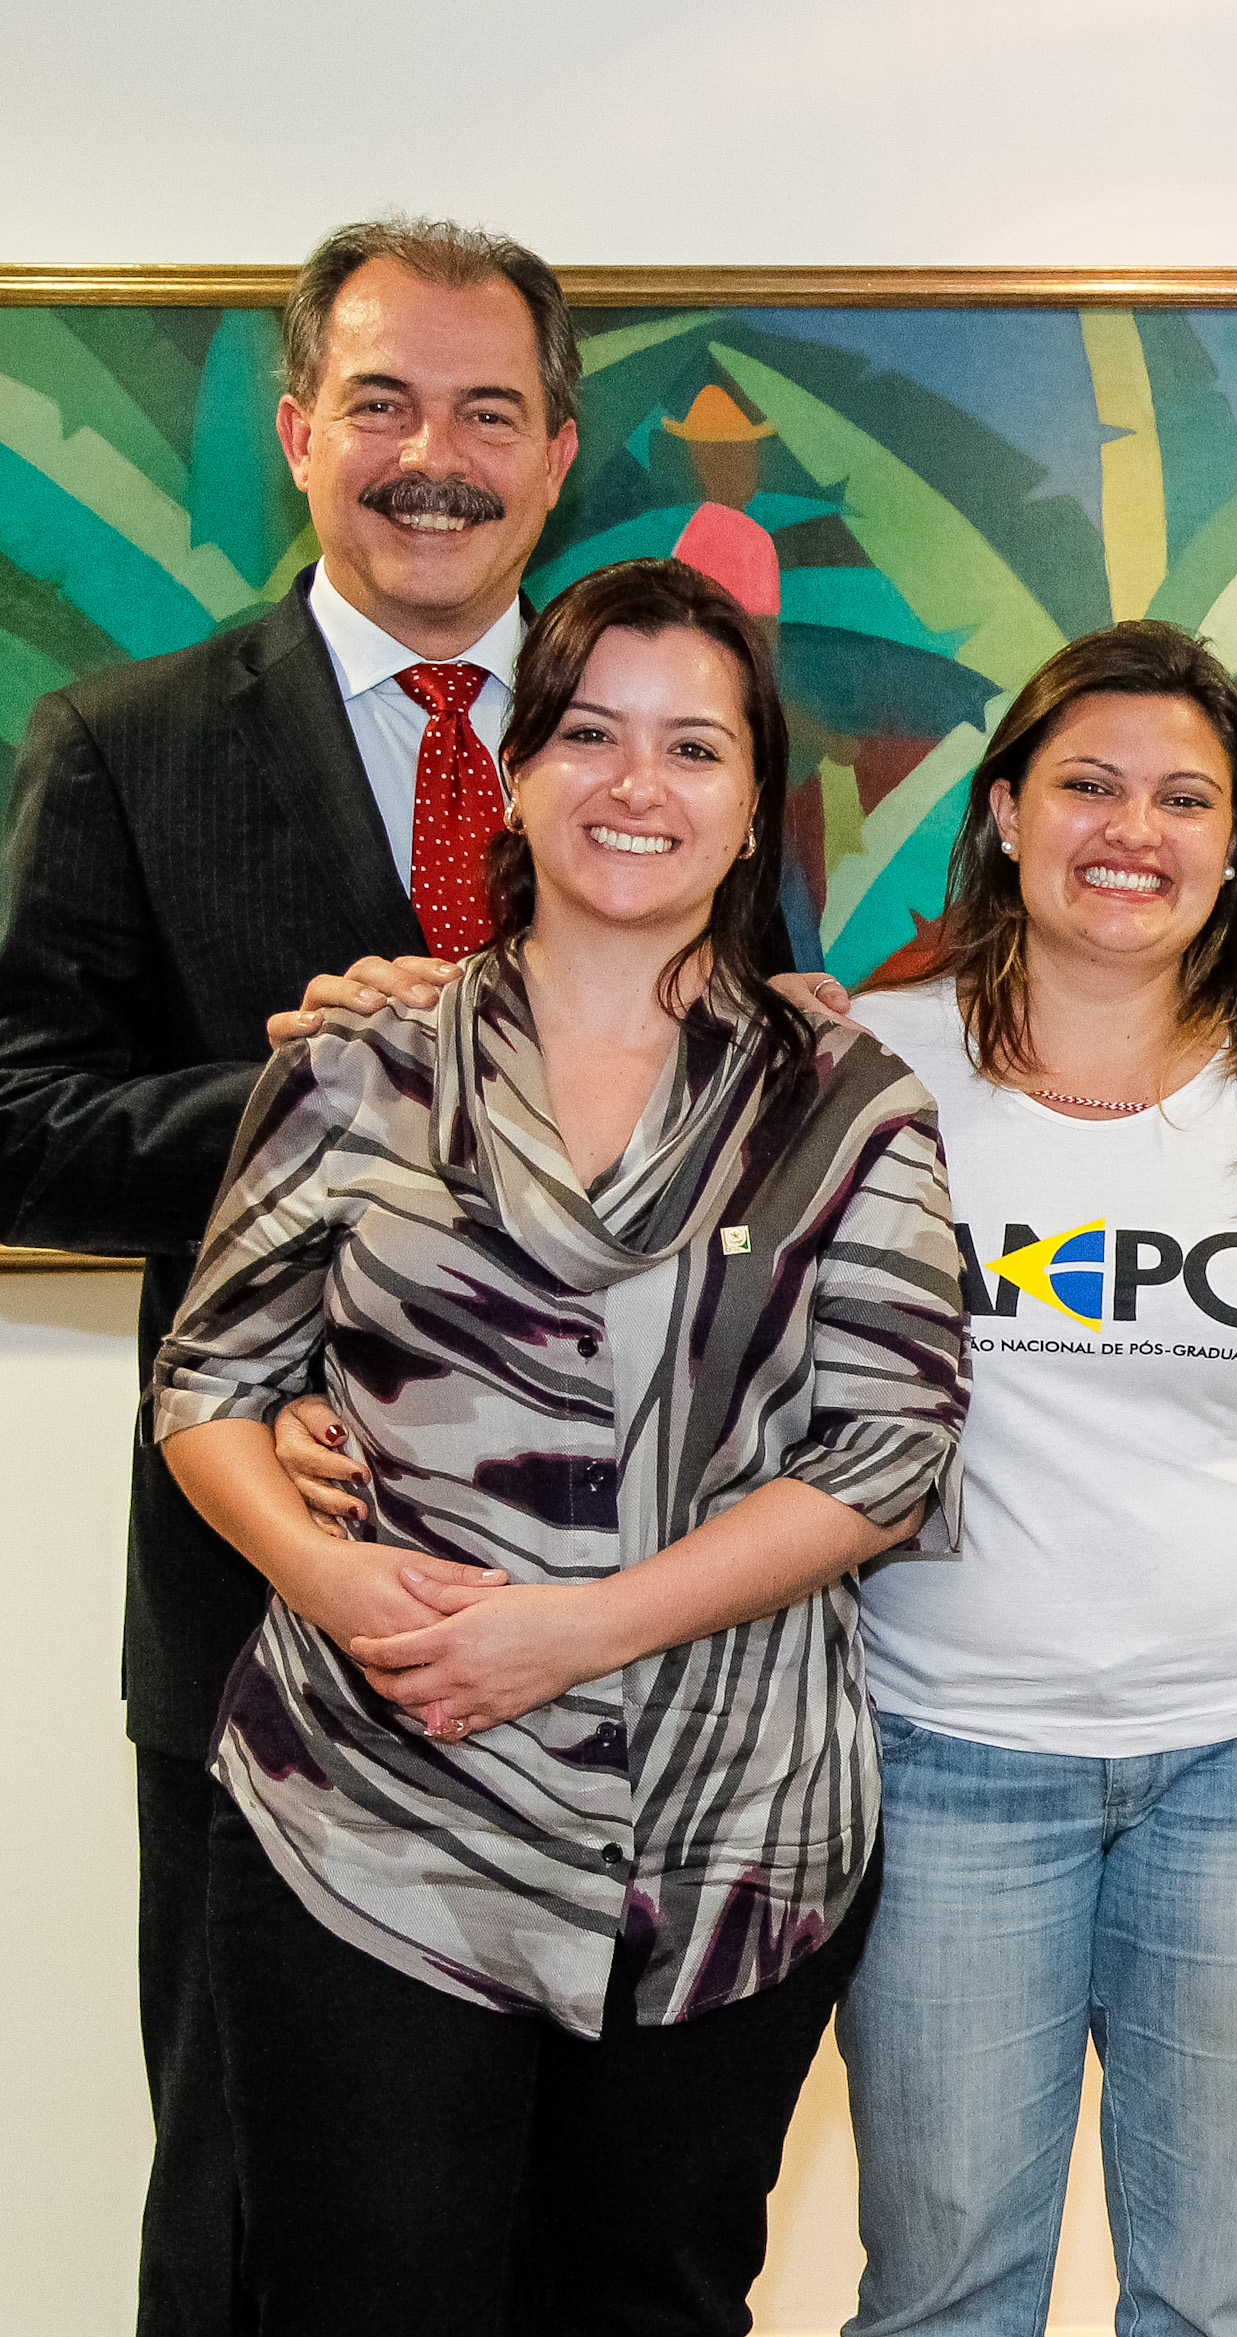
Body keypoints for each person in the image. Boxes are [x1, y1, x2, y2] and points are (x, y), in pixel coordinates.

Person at [148, 557, 963, 2332]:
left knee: (647, 2309)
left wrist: (576, 1629)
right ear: (518, 772)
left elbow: (889, 1452)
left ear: (754, 810)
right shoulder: (363, 1064)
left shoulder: (841, 1103)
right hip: (375, 1820)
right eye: (590, 733)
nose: (635, 786)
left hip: (728, 1836)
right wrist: (335, 1581)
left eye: (693, 748)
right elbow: (208, 1388)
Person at [0, 213, 580, 2337]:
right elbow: (17, 1115)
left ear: (557, 449)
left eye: (488, 411)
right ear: (297, 430)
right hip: (266, 1593)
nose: (436, 455)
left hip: (613, 1618)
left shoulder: (657, 745)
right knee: (252, 2214)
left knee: (572, 2217)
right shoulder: (128, 739)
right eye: (386, 403)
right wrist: (292, 1093)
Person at [831, 620, 1237, 2336]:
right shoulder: (874, 1070)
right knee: (945, 2288)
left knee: (1227, 2297)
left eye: (1188, 797)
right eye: (1092, 785)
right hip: (949, 1757)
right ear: (1005, 815)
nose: (1137, 829)